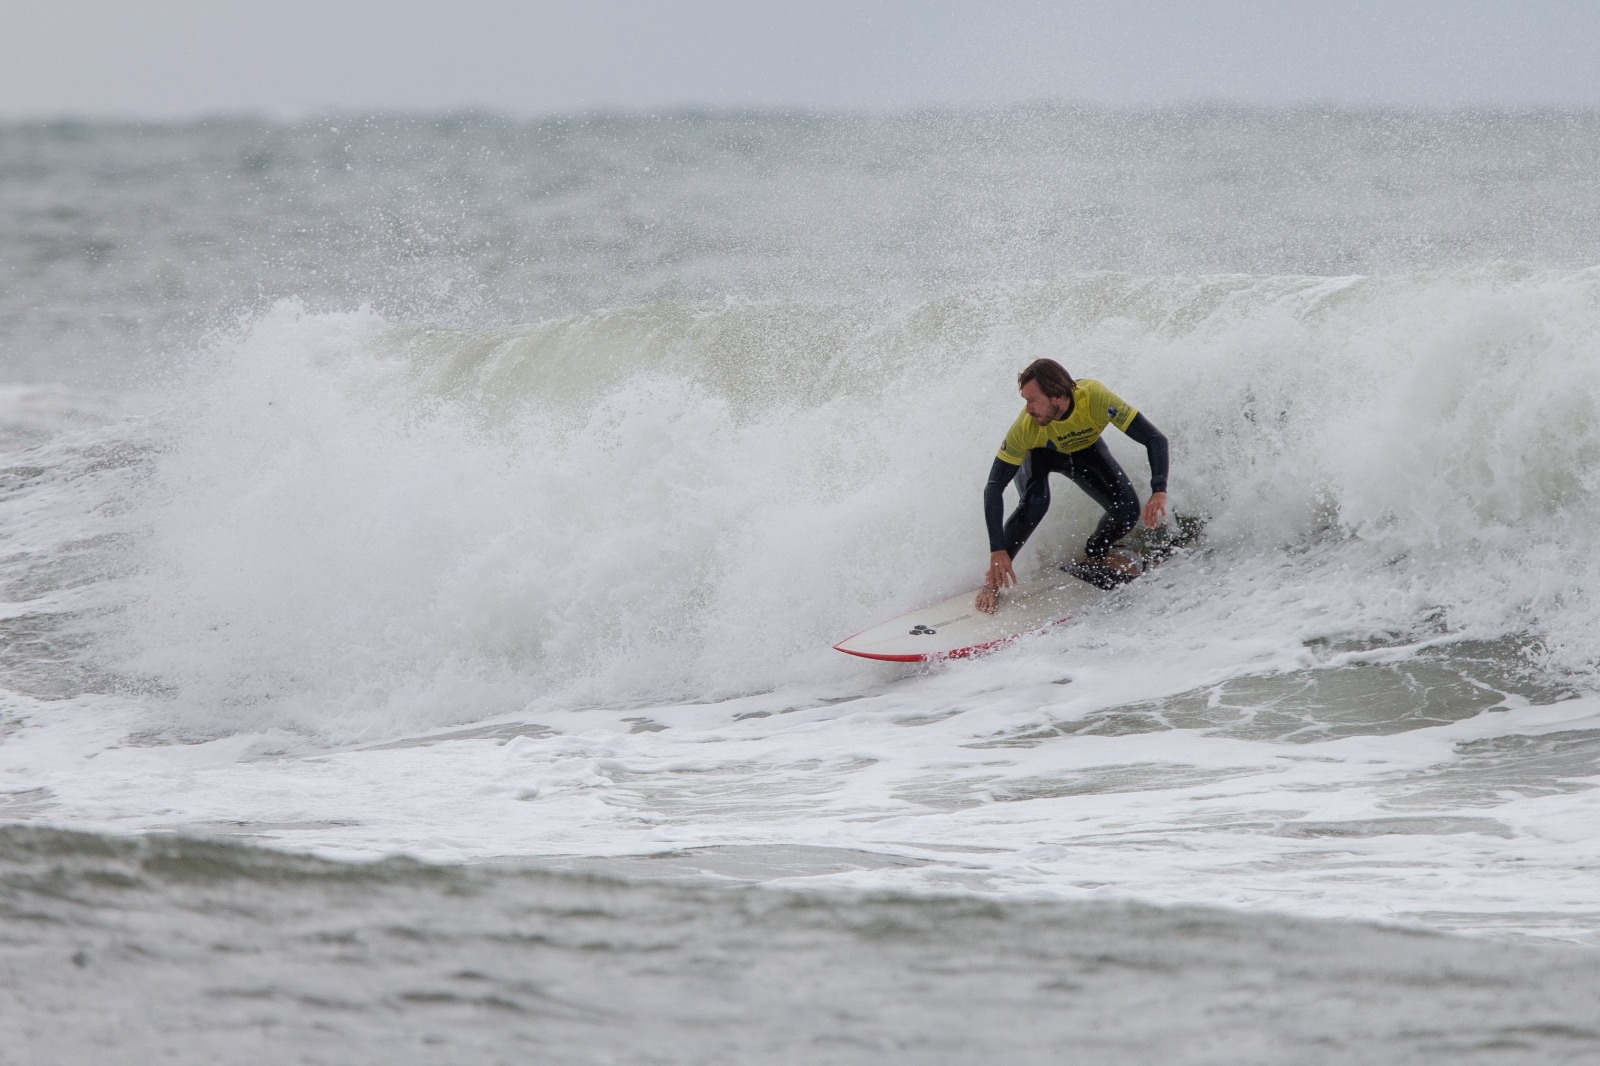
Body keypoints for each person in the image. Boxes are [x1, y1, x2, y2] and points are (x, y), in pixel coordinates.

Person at [976, 358, 1169, 614]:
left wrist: (1158, 489)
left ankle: (1096, 553)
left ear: (1057, 395)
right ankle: (992, 582)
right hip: (1039, 456)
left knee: (1127, 511)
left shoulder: (1095, 397)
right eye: (1025, 400)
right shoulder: (1026, 428)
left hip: (1084, 452)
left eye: (1033, 400)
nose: (1028, 409)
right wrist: (997, 550)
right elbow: (993, 488)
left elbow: (1154, 438)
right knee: (1035, 503)